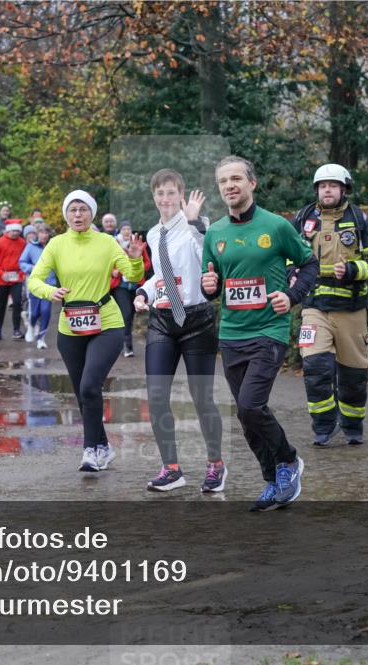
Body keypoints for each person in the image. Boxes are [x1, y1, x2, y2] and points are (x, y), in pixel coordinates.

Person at [201, 156, 317, 511]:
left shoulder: (276, 227)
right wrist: (208, 286)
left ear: (252, 183)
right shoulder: (215, 232)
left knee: (251, 406)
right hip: (232, 334)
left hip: (269, 329)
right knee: (246, 414)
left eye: (236, 178)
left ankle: (289, 460)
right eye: (223, 181)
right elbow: (213, 283)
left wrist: (292, 296)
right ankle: (272, 480)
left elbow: (310, 263)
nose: (229, 186)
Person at [28, 190, 146, 473]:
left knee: (90, 386)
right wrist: (51, 291)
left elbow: (132, 275)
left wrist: (136, 259)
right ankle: (104, 447)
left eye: (83, 209)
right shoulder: (56, 244)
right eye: (73, 210)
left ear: (91, 214)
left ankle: (91, 451)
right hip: (71, 326)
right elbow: (34, 280)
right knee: (84, 394)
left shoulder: (106, 243)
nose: (78, 215)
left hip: (106, 323)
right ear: (66, 214)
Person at [133, 169, 225, 492]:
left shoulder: (198, 227)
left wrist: (195, 223)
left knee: (202, 398)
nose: (165, 199)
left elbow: (207, 261)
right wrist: (144, 292)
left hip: (196, 319)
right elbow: (160, 276)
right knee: (157, 397)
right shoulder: (154, 234)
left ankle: (216, 465)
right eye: (160, 194)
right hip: (162, 320)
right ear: (154, 197)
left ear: (181, 195)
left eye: (171, 193)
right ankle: (171, 468)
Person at [291, 164, 368, 447]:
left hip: (351, 308)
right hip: (315, 306)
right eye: (322, 186)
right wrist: (291, 275)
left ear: (344, 189)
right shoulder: (304, 218)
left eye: (333, 185)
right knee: (315, 366)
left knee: (353, 375)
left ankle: (352, 425)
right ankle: (323, 426)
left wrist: (355, 271)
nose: (327, 190)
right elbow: (286, 255)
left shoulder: (359, 219)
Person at [111, 221, 150, 358]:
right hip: (120, 286)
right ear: (120, 231)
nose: (127, 231)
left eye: (129, 229)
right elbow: (109, 262)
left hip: (136, 285)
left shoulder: (137, 244)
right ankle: (127, 347)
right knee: (126, 314)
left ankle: (123, 343)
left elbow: (147, 263)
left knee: (131, 315)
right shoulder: (114, 244)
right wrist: (115, 271)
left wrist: (137, 267)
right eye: (124, 229)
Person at [20, 222, 55, 349]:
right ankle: (31, 326)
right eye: (41, 232)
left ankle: (41, 339)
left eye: (46, 233)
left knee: (45, 311)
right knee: (34, 313)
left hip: (49, 285)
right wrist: (31, 267)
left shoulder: (53, 247)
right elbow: (22, 262)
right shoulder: (30, 247)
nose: (44, 235)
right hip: (34, 284)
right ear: (37, 234)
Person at [0, 219, 27, 341]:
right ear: (8, 230)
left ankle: (16, 329)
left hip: (16, 278)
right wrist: (1, 273)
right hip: (2, 279)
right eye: (13, 231)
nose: (15, 233)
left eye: (17, 231)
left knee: (17, 303)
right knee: (1, 305)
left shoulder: (22, 243)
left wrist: (21, 273)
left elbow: (24, 260)